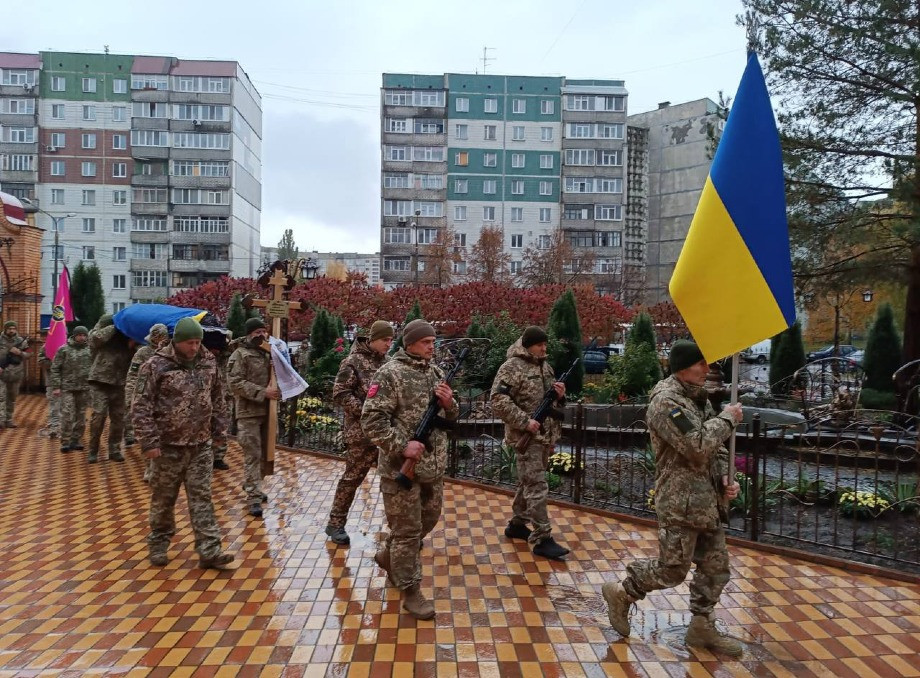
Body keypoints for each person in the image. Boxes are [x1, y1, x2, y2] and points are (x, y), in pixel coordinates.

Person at [602, 339, 744, 656]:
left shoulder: (697, 398)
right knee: (672, 570)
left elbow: (716, 449)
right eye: (701, 363)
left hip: (707, 502)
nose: (707, 369)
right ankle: (623, 592)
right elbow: (696, 445)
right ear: (682, 368)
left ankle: (702, 627)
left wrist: (725, 476)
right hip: (681, 502)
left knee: (716, 568)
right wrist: (728, 419)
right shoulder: (667, 403)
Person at [361, 319, 458, 620]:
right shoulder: (390, 373)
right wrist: (402, 446)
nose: (432, 347)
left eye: (433, 341)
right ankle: (411, 591)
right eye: (426, 342)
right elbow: (371, 420)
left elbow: (451, 417)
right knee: (407, 532)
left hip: (432, 468)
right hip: (400, 470)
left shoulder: (436, 373)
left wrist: (450, 404)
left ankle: (388, 555)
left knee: (428, 520)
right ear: (410, 343)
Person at [132, 316, 233, 569]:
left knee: (202, 497)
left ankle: (210, 550)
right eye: (190, 342)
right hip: (167, 447)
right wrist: (149, 442)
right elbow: (141, 405)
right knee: (163, 498)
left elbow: (218, 398)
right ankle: (159, 542)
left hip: (200, 445)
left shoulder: (209, 362)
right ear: (176, 341)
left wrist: (220, 432)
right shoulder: (155, 365)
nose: (194, 347)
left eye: (198, 342)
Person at [491, 326, 570, 560]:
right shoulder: (511, 367)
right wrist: (524, 422)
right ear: (528, 345)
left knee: (528, 482)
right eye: (539, 345)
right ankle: (542, 538)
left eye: (545, 344)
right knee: (536, 485)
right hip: (525, 438)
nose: (544, 348)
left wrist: (560, 396)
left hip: (544, 436)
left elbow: (553, 405)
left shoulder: (545, 367)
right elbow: (498, 400)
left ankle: (517, 524)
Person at [324, 320, 394, 545]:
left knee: (393, 481)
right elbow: (340, 393)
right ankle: (335, 523)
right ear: (372, 339)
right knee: (352, 478)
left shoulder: (389, 363)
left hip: (386, 433)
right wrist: (366, 412)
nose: (389, 344)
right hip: (360, 434)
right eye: (385, 340)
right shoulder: (352, 362)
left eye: (391, 340)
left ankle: (400, 529)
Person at [227, 317, 277, 519]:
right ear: (249, 334)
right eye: (257, 332)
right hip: (248, 413)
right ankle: (253, 497)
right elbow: (234, 383)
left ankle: (254, 484)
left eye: (263, 331)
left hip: (269, 412)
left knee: (266, 455)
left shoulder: (270, 353)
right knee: (253, 454)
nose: (261, 335)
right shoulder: (240, 354)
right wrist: (262, 392)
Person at [86, 314, 134, 463]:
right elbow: (95, 339)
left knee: (118, 418)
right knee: (98, 416)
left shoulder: (128, 334)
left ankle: (114, 450)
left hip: (120, 382)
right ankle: (93, 450)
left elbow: (139, 349)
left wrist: (131, 339)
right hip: (100, 381)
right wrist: (116, 326)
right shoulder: (105, 327)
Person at [124, 323, 169, 480]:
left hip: (165, 399)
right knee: (148, 434)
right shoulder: (142, 353)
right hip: (146, 397)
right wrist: (130, 397)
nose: (159, 340)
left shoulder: (169, 352)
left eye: (162, 337)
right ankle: (149, 469)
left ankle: (161, 467)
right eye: (157, 337)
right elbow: (133, 376)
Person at [50, 326, 92, 453]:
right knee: (67, 414)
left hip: (84, 387)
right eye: (79, 335)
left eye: (84, 335)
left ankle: (76, 439)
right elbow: (55, 368)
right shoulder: (64, 349)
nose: (82, 338)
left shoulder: (91, 350)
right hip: (67, 387)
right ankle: (65, 441)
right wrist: (56, 386)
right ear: (74, 336)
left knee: (81, 415)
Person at [202, 330, 235, 472]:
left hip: (226, 396)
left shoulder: (228, 354)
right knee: (205, 426)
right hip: (207, 397)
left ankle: (218, 457)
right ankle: (205, 457)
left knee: (222, 426)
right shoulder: (203, 356)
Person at [0, 320, 32, 428]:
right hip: (1, 373)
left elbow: (29, 353)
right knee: (1, 397)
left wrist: (20, 353)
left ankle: (9, 419)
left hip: (16, 374)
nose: (11, 331)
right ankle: (1, 419)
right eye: (9, 329)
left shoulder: (21, 341)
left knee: (11, 398)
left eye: (13, 328)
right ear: (5, 329)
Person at [38, 343, 61, 438]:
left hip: (69, 383)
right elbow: (40, 362)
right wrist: (54, 361)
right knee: (54, 406)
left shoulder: (69, 346)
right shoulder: (46, 346)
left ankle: (64, 427)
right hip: (52, 382)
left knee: (67, 407)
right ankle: (54, 428)